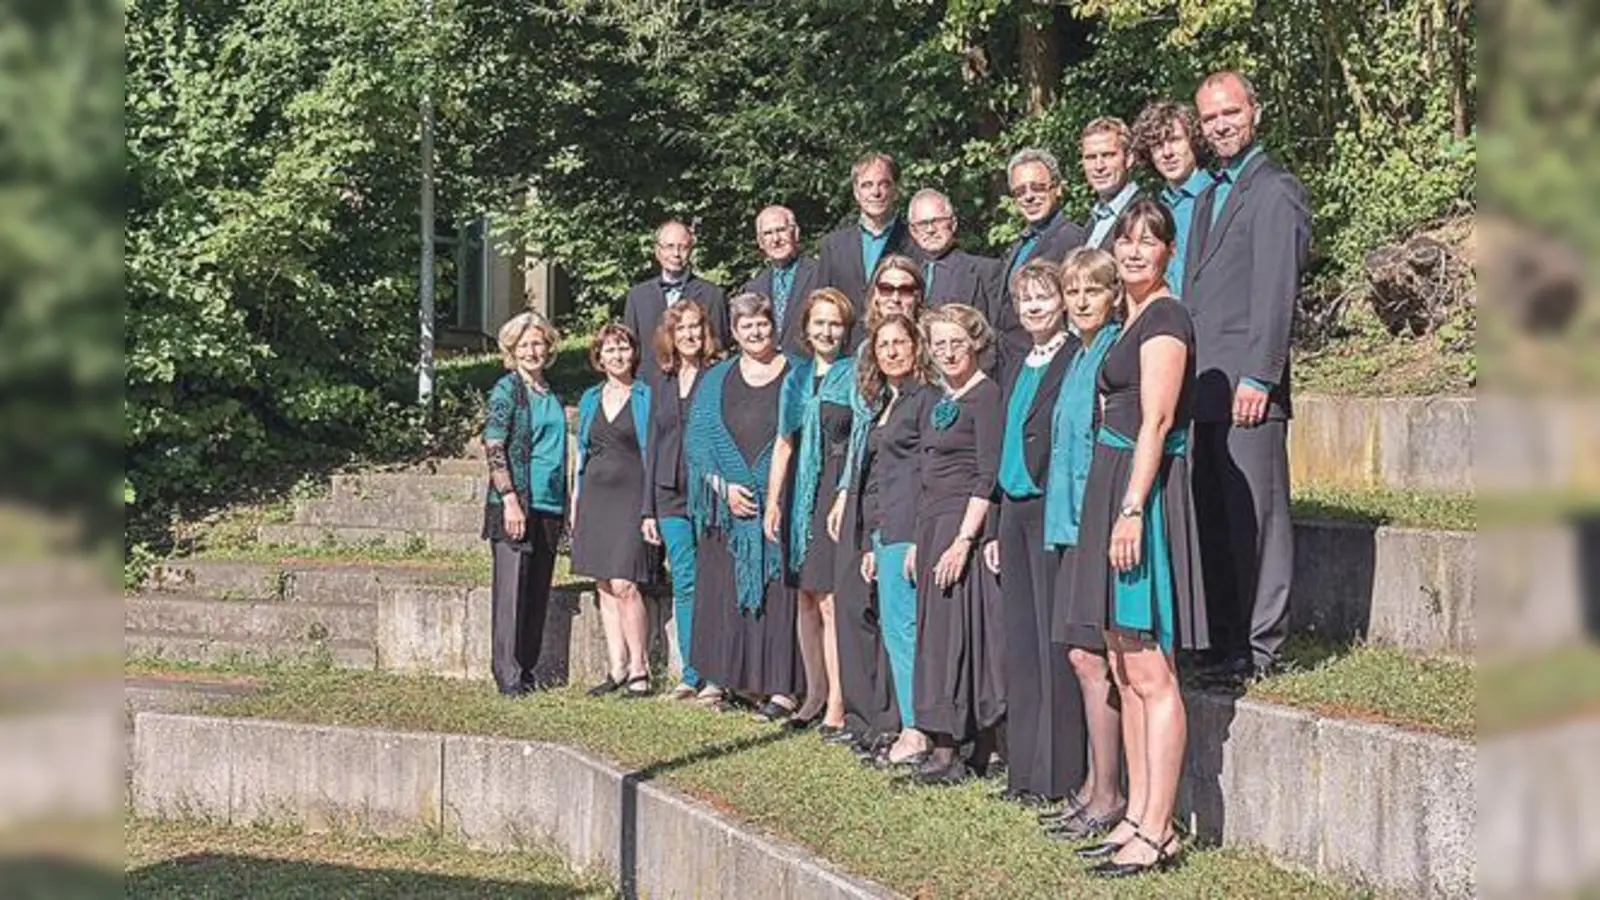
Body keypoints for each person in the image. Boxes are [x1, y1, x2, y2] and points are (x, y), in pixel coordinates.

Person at [1064, 199, 1208, 877]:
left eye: (1149, 242)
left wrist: (1129, 510)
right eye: (1126, 240)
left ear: (1168, 252)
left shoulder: (1167, 318)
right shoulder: (1132, 316)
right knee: (1122, 665)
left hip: (1136, 493)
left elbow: (1155, 421)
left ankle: (1160, 828)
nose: (1134, 252)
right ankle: (1135, 818)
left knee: (1151, 669)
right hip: (1110, 484)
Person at [1185, 69, 1310, 683]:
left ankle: (1263, 646)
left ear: (1254, 112)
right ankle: (1227, 639)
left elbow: (1274, 293)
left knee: (1257, 517)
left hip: (1246, 387)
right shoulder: (1210, 194)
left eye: (1230, 112)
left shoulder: (1274, 190)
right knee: (1217, 513)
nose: (1221, 125)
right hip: (1205, 389)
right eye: (1210, 118)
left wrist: (1260, 376)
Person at [980, 259, 1084, 808]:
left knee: (1052, 643)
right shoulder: (1020, 361)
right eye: (1025, 300)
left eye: (1044, 297)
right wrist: (996, 521)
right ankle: (1023, 769)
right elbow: (1004, 444)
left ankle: (1056, 773)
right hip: (1015, 511)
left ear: (1062, 301)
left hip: (1052, 509)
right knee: (1019, 644)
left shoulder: (1073, 357)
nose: (1034, 307)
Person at [1040, 248, 1127, 842]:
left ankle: (1110, 792)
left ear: (1113, 294)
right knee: (1079, 658)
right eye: (1073, 291)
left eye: (1093, 290)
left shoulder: (1114, 353)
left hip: (1096, 522)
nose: (1081, 300)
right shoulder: (1077, 355)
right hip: (1066, 521)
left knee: (1095, 659)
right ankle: (1095, 786)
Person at [684, 293, 803, 720]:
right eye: (746, 326)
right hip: (726, 505)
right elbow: (698, 443)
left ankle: (781, 688)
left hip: (781, 502)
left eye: (763, 324)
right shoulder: (716, 378)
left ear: (774, 326)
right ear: (734, 332)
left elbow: (803, 437)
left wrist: (768, 488)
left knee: (778, 595)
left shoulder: (797, 373)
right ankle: (722, 677)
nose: (756, 332)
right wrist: (723, 487)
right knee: (722, 589)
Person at [830, 312, 934, 765]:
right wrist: (872, 540)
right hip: (884, 529)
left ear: (916, 347)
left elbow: (927, 473)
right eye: (883, 344)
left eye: (900, 343)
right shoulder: (881, 405)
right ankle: (908, 725)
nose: (891, 351)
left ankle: (917, 731)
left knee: (905, 631)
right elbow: (877, 478)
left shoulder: (925, 400)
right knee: (894, 631)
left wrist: (915, 537)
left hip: (910, 528)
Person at [909, 303, 1004, 785]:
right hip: (930, 524)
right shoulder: (936, 396)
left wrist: (964, 540)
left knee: (955, 638)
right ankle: (937, 740)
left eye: (956, 342)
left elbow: (988, 474)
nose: (947, 352)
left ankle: (957, 750)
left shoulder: (986, 397)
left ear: (975, 344)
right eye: (939, 343)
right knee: (934, 634)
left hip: (959, 525)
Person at [763, 289, 857, 734]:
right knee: (803, 595)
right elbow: (784, 442)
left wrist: (844, 492)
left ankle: (838, 700)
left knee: (830, 601)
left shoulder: (855, 373)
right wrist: (772, 502)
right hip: (799, 491)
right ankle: (814, 691)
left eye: (834, 323)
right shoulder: (795, 378)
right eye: (819, 323)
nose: (826, 331)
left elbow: (859, 439)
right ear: (805, 329)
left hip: (834, 489)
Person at [480, 311, 567, 697]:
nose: (532, 351)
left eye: (538, 343)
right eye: (525, 345)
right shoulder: (507, 390)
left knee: (537, 590)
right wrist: (510, 499)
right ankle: (508, 674)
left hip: (549, 503)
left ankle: (527, 670)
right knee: (512, 592)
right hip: (515, 502)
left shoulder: (550, 392)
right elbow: (494, 444)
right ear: (512, 350)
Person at [642, 300, 724, 704]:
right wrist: (648, 508)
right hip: (669, 494)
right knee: (687, 582)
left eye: (696, 327)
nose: (690, 335)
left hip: (710, 493)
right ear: (670, 337)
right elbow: (653, 445)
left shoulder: (721, 374)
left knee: (714, 582)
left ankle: (717, 677)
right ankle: (691, 674)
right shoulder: (662, 380)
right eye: (682, 329)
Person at [571, 324, 659, 698]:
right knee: (604, 584)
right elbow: (581, 453)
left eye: (623, 348)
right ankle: (617, 666)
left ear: (633, 353)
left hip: (631, 498)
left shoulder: (647, 396)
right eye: (609, 350)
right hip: (594, 498)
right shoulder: (591, 397)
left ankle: (640, 668)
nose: (617, 355)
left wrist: (650, 508)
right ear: (599, 357)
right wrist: (575, 504)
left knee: (625, 583)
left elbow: (655, 452)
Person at [997, 149, 1087, 360]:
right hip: (1011, 357)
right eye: (1020, 191)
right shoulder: (1021, 242)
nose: (1029, 197)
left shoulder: (1073, 239)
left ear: (1057, 189)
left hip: (1051, 356)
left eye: (1037, 188)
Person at [624, 220, 729, 385]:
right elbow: (630, 350)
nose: (676, 253)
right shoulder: (637, 297)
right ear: (658, 251)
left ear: (691, 250)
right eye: (669, 246)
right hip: (651, 390)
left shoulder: (714, 295)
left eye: (683, 247)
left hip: (699, 388)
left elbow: (719, 349)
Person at [818, 152, 915, 319]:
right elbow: (823, 305)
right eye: (867, 185)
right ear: (856, 192)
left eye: (884, 184)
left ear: (895, 190)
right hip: (848, 342)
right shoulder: (833, 246)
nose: (876, 192)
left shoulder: (914, 241)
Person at [1131, 100, 1213, 292]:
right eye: (1158, 145)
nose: (1167, 153)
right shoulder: (1156, 208)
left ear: (1193, 142)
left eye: (1175, 140)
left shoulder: (1218, 197)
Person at [740, 205, 819, 357]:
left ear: (795, 233)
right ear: (761, 242)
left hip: (809, 367)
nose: (775, 239)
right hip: (769, 369)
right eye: (768, 233)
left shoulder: (820, 274)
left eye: (781, 230)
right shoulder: (753, 287)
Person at [905, 188, 999, 316]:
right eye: (922, 223)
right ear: (913, 231)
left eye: (937, 221)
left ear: (953, 224)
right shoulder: (904, 274)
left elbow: (1001, 329)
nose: (930, 229)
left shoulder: (986, 271)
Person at [1080, 117, 1143, 251]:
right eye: (1091, 157)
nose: (1099, 166)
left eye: (1108, 155)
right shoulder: (1092, 221)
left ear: (1129, 159)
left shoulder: (1144, 213)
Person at [856, 254, 925, 350]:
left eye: (905, 290)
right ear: (875, 294)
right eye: (886, 289)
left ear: (918, 296)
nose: (895, 299)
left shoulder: (932, 345)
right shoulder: (864, 350)